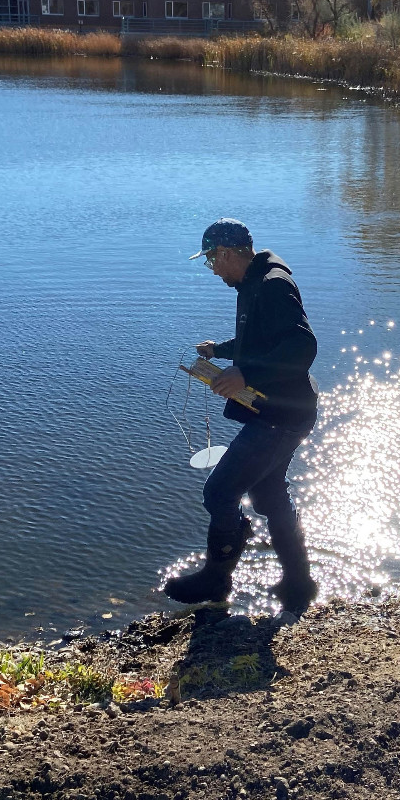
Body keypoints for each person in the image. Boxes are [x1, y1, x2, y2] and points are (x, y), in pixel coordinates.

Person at [164, 218, 319, 617]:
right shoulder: (251, 282)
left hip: (280, 416)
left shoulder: (272, 286)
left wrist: (245, 374)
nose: (212, 269)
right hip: (283, 410)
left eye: (212, 260)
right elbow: (262, 341)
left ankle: (217, 578)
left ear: (229, 253)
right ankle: (299, 582)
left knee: (219, 492)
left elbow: (302, 347)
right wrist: (222, 351)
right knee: (269, 495)